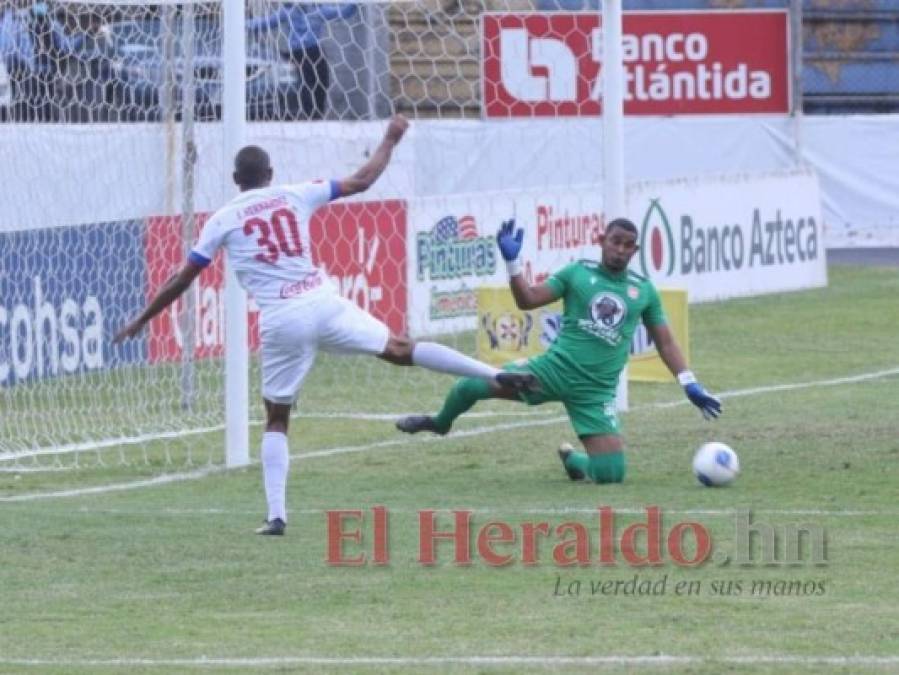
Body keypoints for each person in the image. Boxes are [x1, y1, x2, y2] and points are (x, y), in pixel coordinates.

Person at [113, 115, 535, 535]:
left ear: (235, 179)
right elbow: (363, 180)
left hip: (282, 318)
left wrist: (139, 320)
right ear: (270, 175)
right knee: (400, 349)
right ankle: (496, 372)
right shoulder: (296, 193)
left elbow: (182, 278)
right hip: (322, 302)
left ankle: (276, 515)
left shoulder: (222, 218)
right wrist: (389, 138)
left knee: (277, 418)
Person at [396, 217, 722, 485]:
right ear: (602, 240)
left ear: (635, 250)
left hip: (594, 392)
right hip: (551, 372)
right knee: (471, 384)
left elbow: (665, 342)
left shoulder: (643, 291)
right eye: (615, 241)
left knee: (611, 474)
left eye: (627, 245)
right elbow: (528, 299)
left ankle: (573, 460)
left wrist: (689, 383)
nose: (620, 250)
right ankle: (439, 423)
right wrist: (512, 263)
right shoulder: (576, 273)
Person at [246, 3, 356, 120]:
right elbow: (264, 23)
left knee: (321, 81)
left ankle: (316, 114)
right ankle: (309, 114)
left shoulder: (318, 10)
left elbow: (343, 13)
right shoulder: (288, 12)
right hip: (297, 53)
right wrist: (242, 23)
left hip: (313, 52)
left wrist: (355, 4)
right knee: (305, 84)